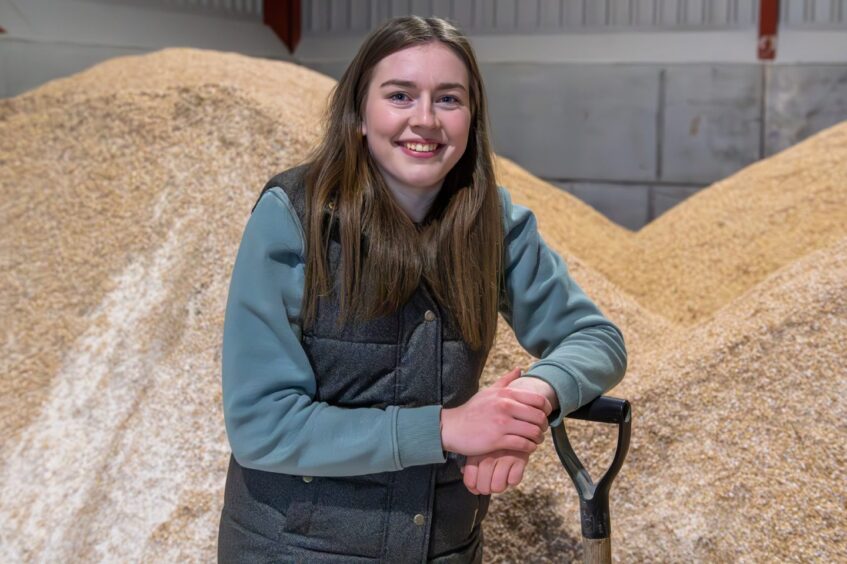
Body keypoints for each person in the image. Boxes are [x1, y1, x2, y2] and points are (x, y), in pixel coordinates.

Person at [217, 15, 627, 564]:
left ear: (472, 116)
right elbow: (261, 424)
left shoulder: (492, 222)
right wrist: (449, 428)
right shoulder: (295, 218)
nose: (425, 120)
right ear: (359, 113)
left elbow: (595, 337)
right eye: (400, 95)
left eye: (449, 99)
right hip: (298, 547)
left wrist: (525, 404)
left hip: (442, 546)